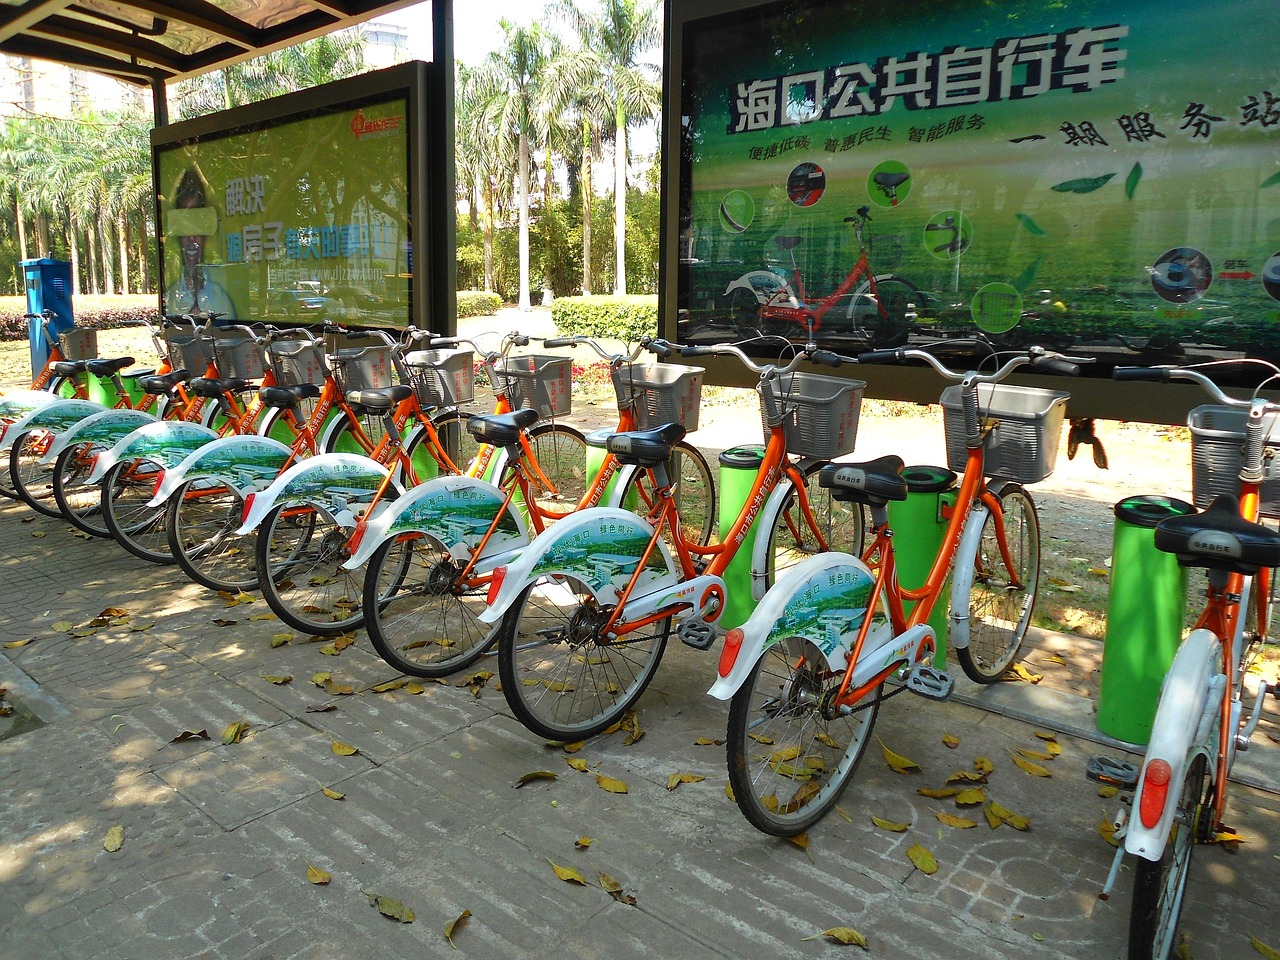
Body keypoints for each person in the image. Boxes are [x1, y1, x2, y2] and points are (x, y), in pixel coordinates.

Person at [164, 169, 236, 320]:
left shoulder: (222, 300)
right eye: (184, 226)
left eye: (197, 223)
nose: (191, 237)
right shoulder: (170, 300)